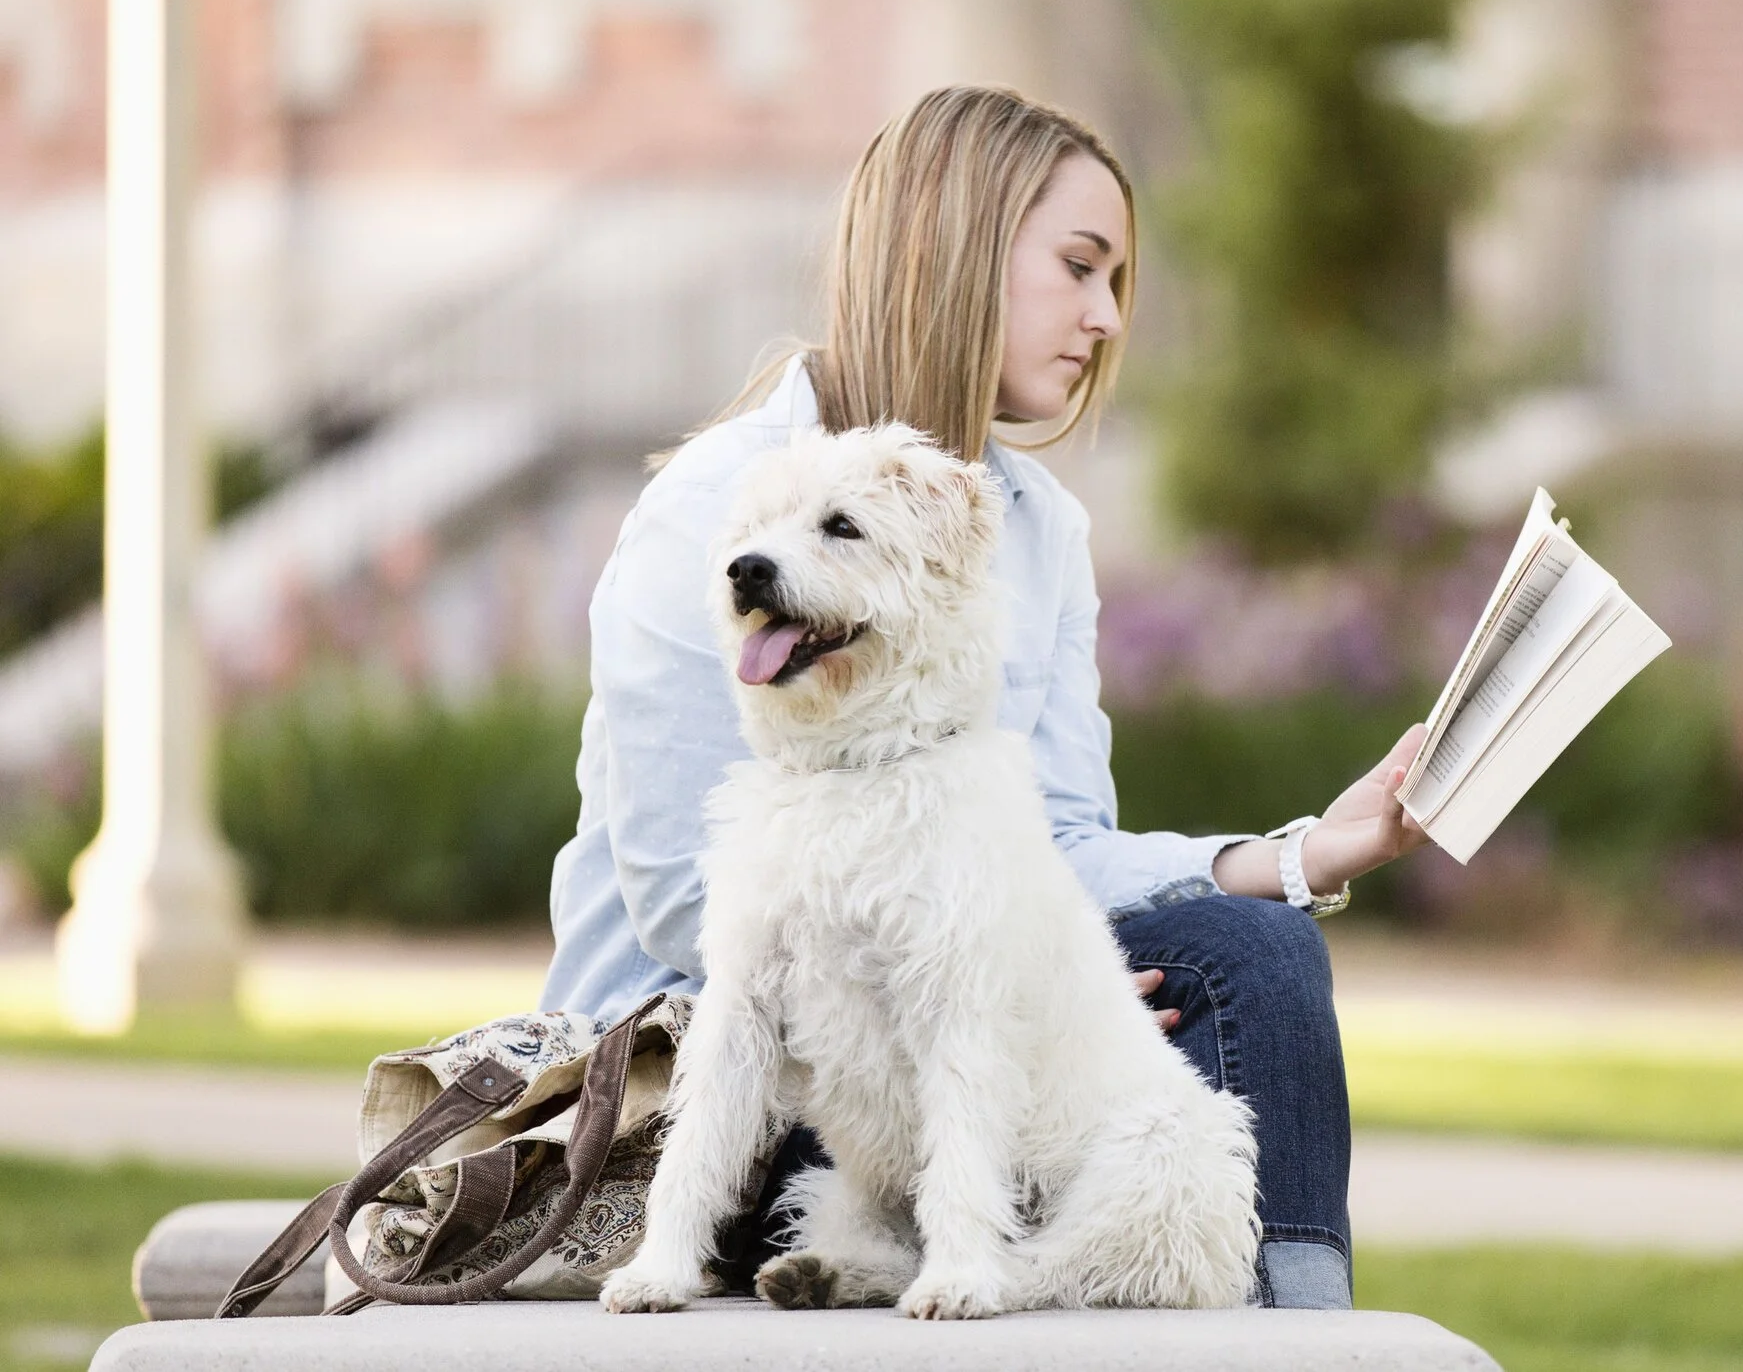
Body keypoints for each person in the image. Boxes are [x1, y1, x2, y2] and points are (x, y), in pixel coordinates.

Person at [539, 84, 1433, 1311]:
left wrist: (1299, 853)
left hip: (950, 1018)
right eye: (1078, 266)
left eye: (1116, 279)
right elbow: (677, 894)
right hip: (713, 1068)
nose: (1105, 318)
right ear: (948, 249)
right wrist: (986, 990)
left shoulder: (1038, 529)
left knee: (1257, 954)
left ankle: (1302, 1329)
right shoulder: (725, 504)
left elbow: (1054, 843)